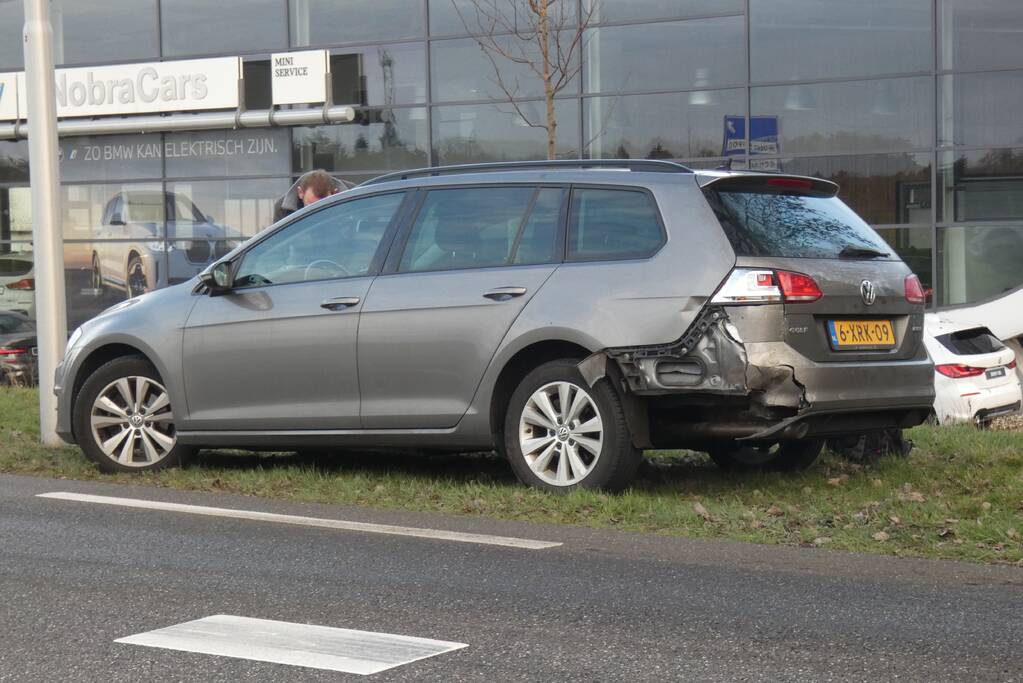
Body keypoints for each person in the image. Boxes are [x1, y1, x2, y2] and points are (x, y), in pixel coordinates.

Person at [273, 170, 354, 222]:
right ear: (300, 192)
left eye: (323, 206)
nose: (317, 212)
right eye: (311, 206)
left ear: (335, 194)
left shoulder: (357, 197)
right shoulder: (283, 209)